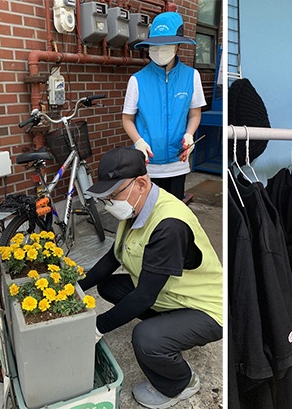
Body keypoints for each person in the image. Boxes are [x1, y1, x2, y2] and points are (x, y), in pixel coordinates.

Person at [79, 146, 222, 409]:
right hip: (172, 294)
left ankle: (181, 383)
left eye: (113, 196)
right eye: (105, 198)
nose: (108, 204)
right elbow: (113, 258)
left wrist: (97, 327)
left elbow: (145, 295)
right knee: (109, 286)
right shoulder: (136, 208)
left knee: (146, 338)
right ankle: (170, 328)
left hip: (207, 308)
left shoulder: (169, 224)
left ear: (141, 183)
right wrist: (76, 287)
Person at [123, 11, 206, 201]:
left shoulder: (191, 76)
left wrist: (189, 135)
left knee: (173, 216)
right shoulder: (137, 80)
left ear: (177, 46)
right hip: (147, 164)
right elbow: (127, 119)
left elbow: (195, 114)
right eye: (155, 45)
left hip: (178, 162)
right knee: (147, 217)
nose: (160, 49)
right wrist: (139, 142)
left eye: (166, 44)